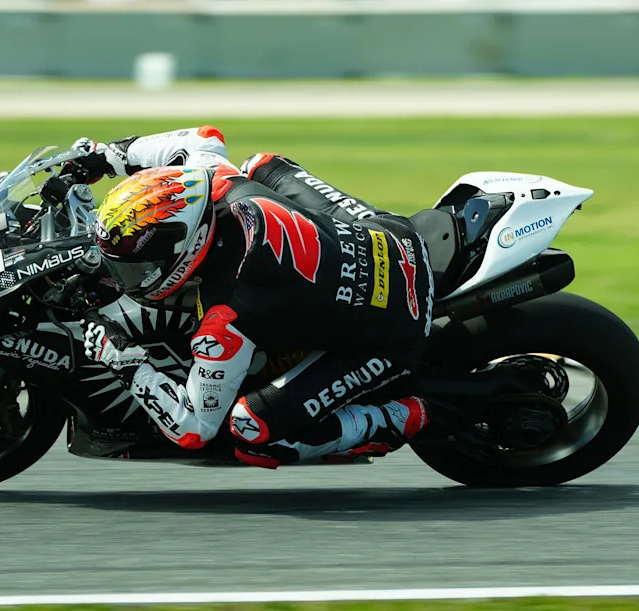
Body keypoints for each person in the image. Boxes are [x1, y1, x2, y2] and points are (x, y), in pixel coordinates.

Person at [71, 126, 433, 468]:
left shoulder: (226, 314)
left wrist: (125, 361)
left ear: (184, 247)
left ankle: (394, 417)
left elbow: (194, 428)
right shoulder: (215, 180)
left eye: (138, 267)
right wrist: (106, 156)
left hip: (397, 331)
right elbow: (204, 138)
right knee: (260, 166)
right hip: (395, 236)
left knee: (249, 428)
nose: (128, 279)